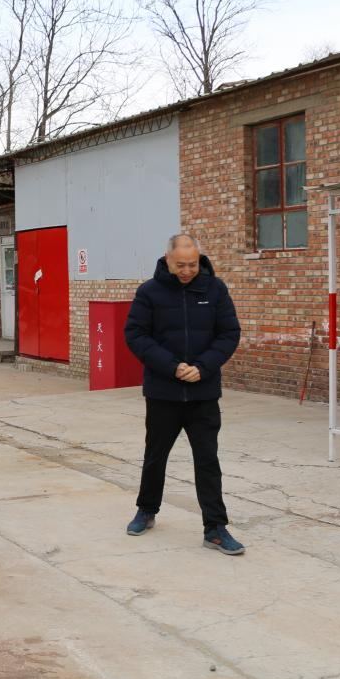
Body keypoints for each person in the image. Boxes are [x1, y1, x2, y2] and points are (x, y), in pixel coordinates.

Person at [123, 233, 244, 555]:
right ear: (167, 259)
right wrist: (172, 366)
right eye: (181, 265)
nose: (187, 271)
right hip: (163, 392)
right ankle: (146, 510)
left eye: (192, 264)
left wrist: (203, 367)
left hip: (203, 393)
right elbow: (136, 334)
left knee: (207, 460)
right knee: (155, 456)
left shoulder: (215, 290)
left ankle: (215, 528)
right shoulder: (149, 292)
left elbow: (229, 333)